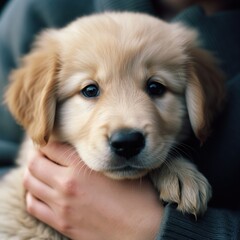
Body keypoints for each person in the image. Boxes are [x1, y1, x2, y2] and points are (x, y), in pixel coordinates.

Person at [0, 0, 239, 239]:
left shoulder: (187, 54)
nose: (126, 130)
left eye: (156, 87)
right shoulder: (34, 10)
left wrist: (156, 227)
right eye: (89, 90)